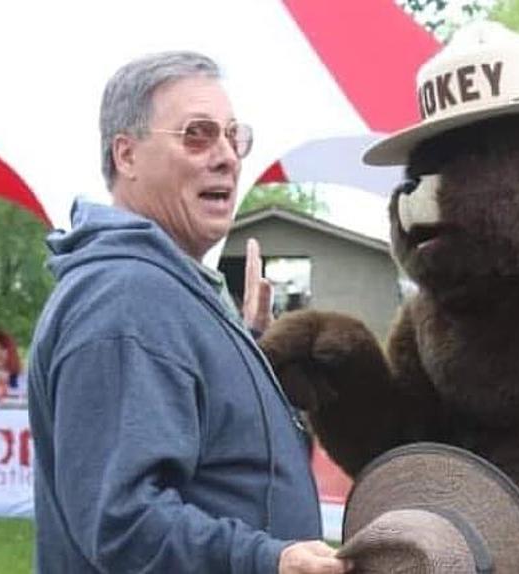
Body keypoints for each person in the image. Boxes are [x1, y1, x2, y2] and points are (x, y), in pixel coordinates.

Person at [27, 51, 350, 574]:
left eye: (233, 135)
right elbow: (123, 523)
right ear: (126, 155)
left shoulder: (164, 292)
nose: (227, 156)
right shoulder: (125, 299)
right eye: (197, 134)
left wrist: (242, 349)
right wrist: (269, 560)